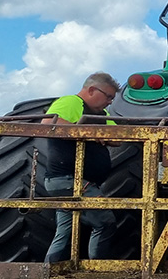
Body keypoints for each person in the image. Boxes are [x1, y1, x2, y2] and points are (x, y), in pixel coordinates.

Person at [42, 72, 120, 263]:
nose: (110, 102)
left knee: (65, 231)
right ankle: (97, 270)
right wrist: (89, 134)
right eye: (108, 96)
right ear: (92, 90)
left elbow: (117, 138)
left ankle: (49, 271)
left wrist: (105, 136)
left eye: (112, 98)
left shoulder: (102, 114)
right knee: (105, 223)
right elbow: (47, 124)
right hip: (70, 181)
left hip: (78, 182)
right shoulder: (72, 102)